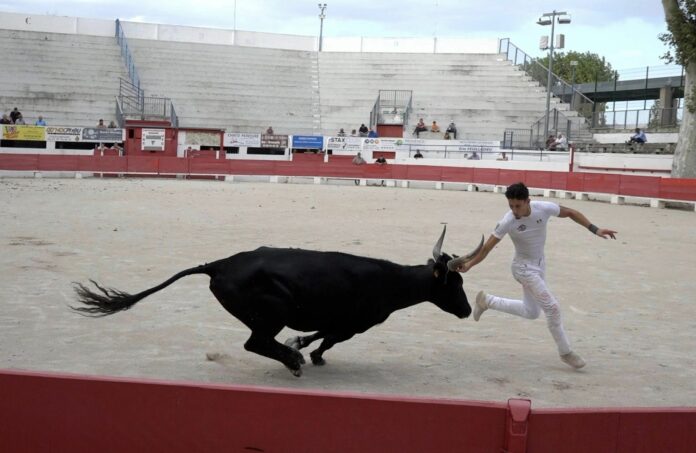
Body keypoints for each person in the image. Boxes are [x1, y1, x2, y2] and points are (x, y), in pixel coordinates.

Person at [454, 182, 617, 369]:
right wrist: (469, 265)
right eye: (511, 206)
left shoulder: (543, 208)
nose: (514, 210)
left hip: (540, 265)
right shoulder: (508, 220)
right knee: (552, 308)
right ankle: (566, 352)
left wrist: (595, 229)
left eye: (518, 205)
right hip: (522, 268)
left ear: (528, 201)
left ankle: (487, 301)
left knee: (531, 312)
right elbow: (486, 248)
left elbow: (571, 212)